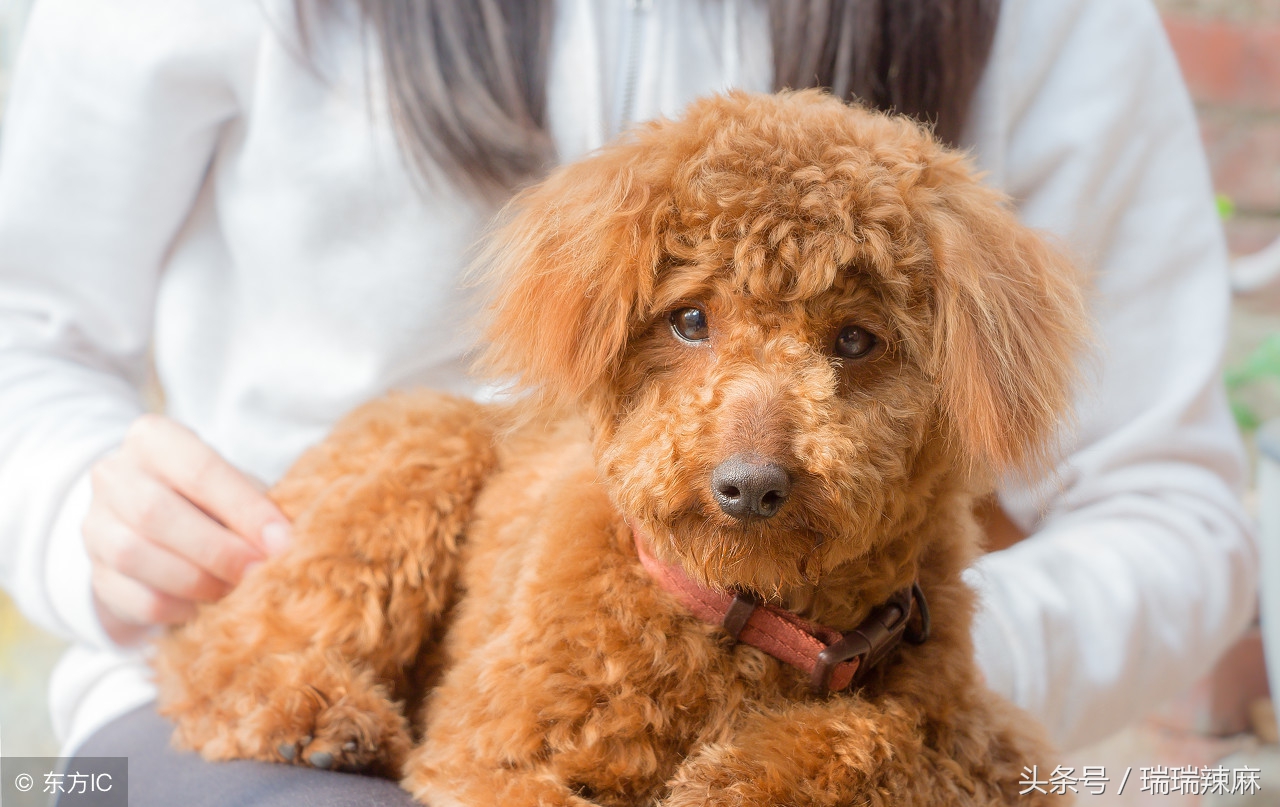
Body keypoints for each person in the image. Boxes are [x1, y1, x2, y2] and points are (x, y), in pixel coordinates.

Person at [0, 0, 1257, 802]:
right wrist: (75, 512)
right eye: (691, 323)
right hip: (266, 664)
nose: (752, 444)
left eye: (857, 338)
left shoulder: (1050, 25)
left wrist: (873, 685)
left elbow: (1166, 499)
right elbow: (26, 324)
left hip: (869, 652)